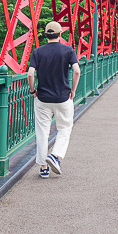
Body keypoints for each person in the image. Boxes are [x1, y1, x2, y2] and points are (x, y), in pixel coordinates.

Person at [27, 21, 80, 179]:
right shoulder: (68, 50)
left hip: (42, 98)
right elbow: (76, 71)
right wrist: (73, 90)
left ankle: (43, 167)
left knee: (42, 131)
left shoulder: (38, 52)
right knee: (64, 129)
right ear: (60, 34)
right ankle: (55, 156)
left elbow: (30, 74)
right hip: (62, 97)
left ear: (46, 34)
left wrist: (33, 91)